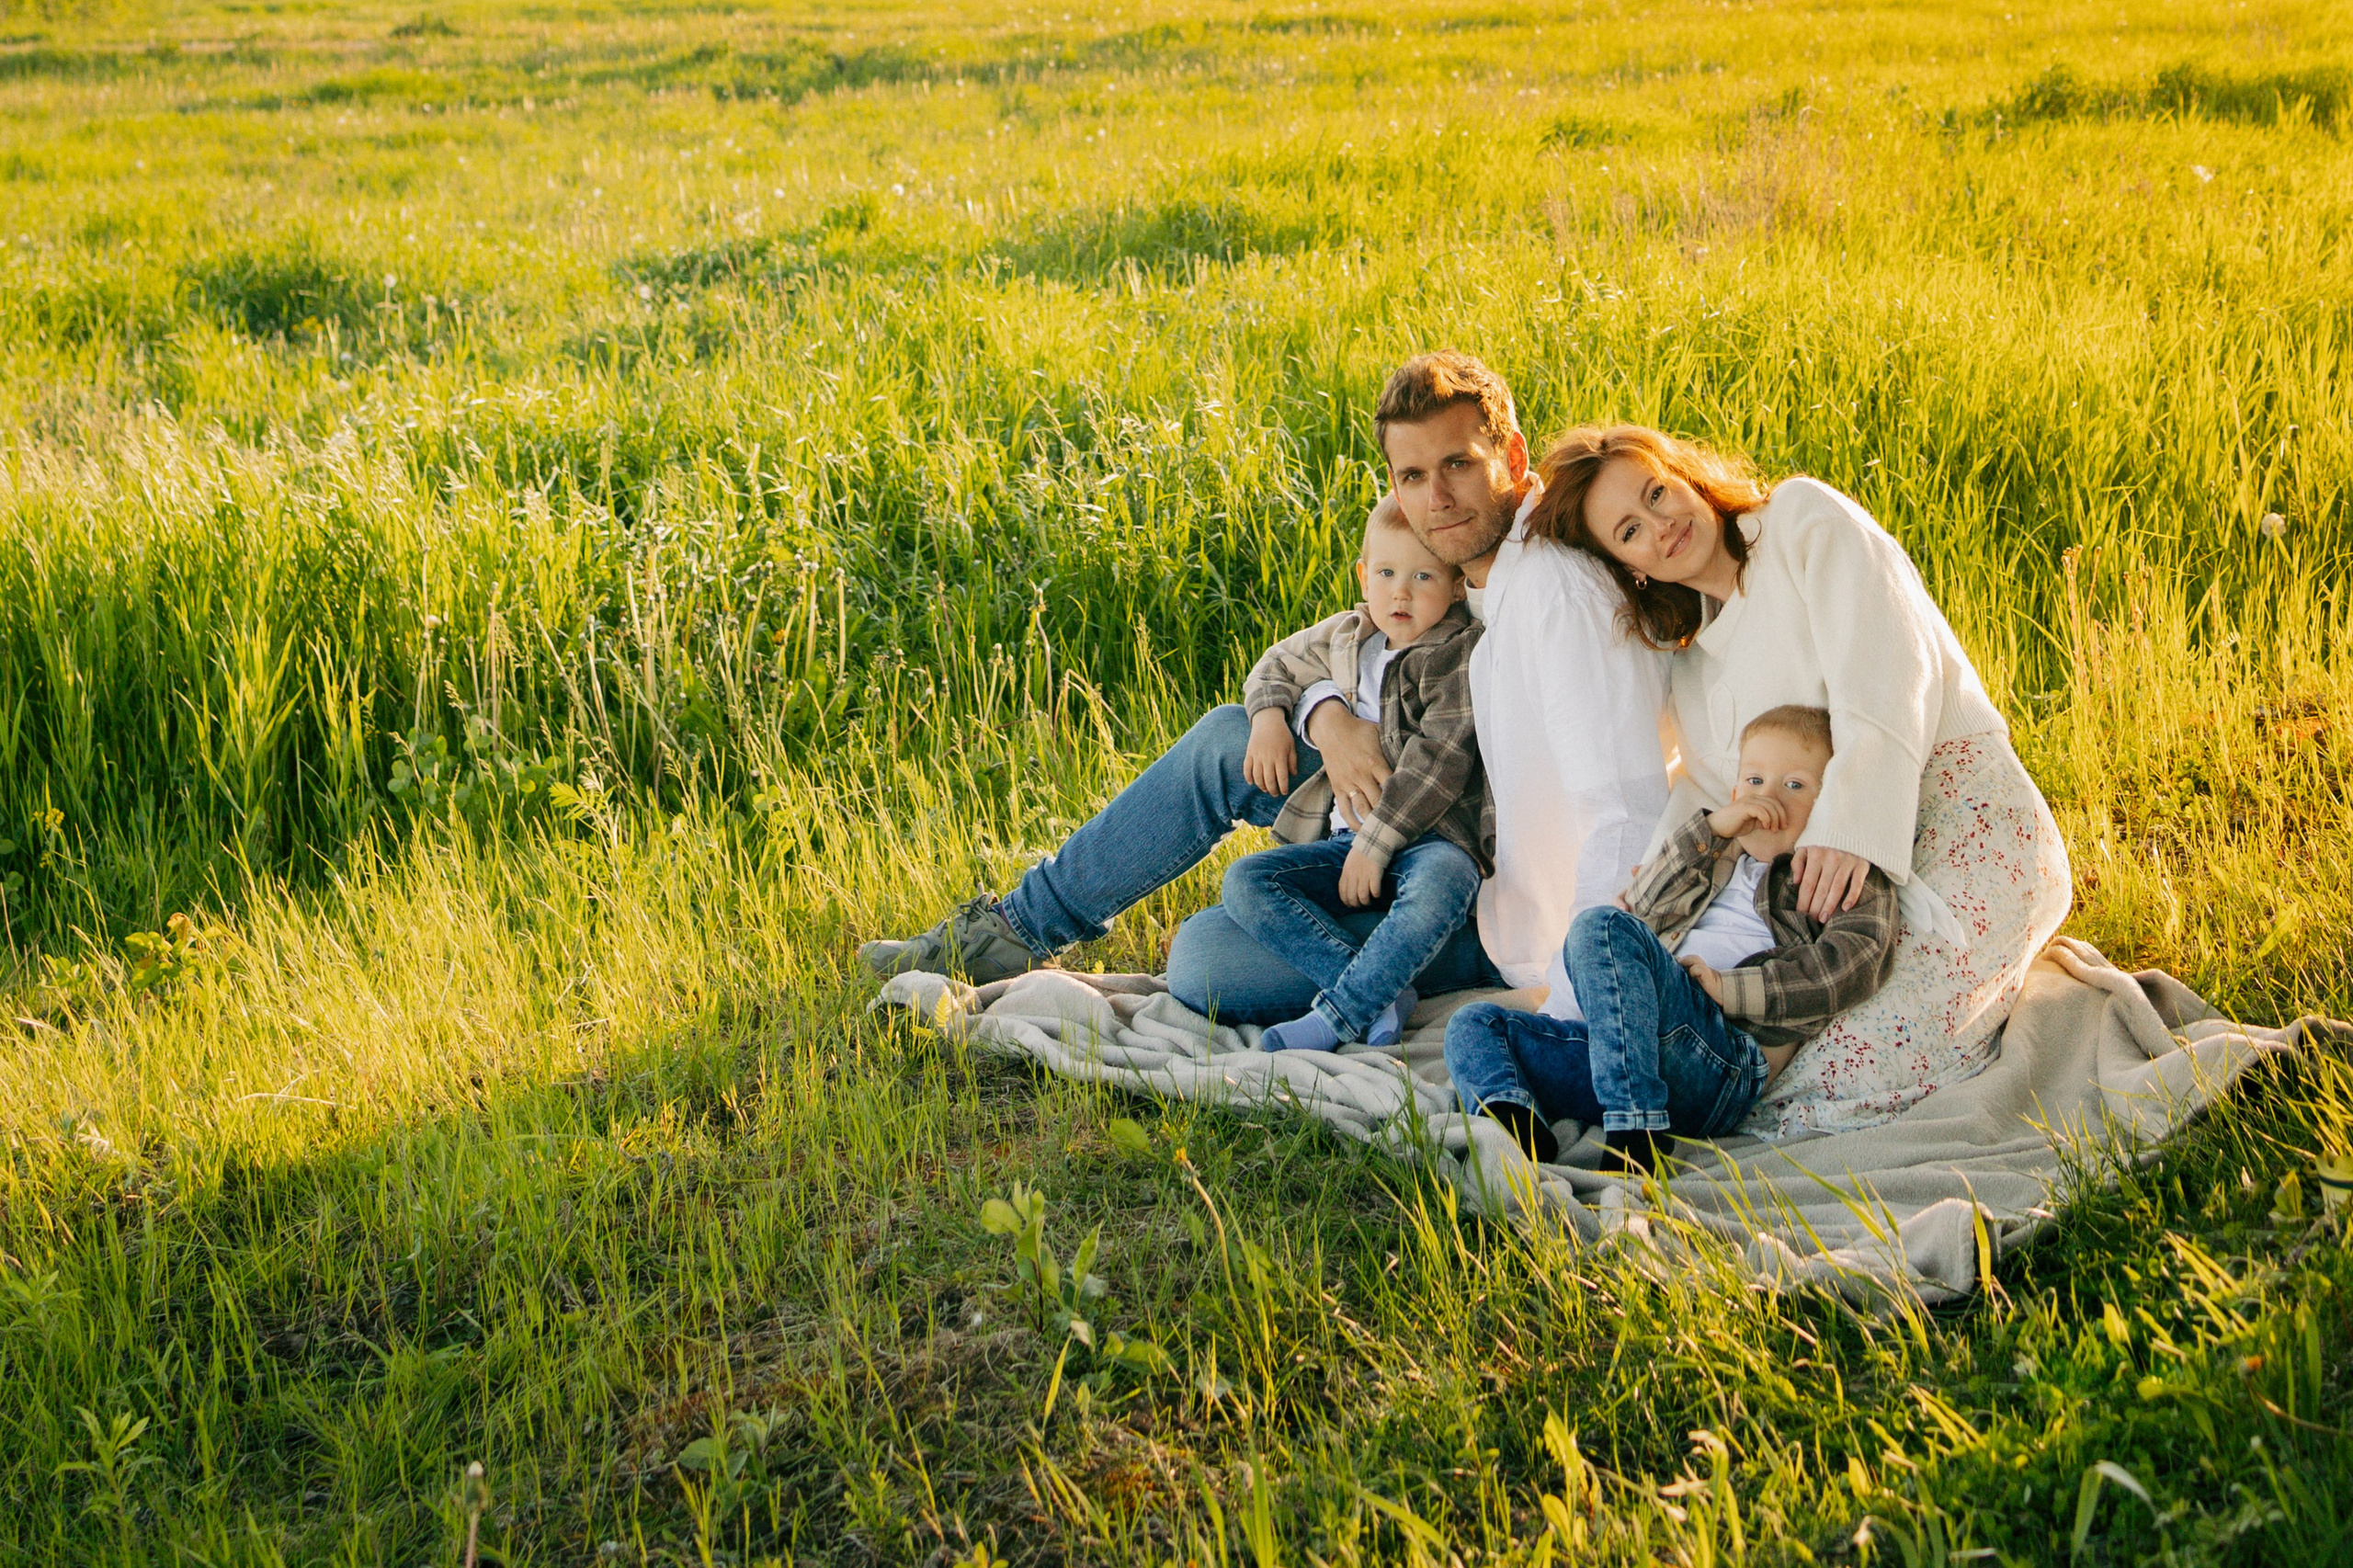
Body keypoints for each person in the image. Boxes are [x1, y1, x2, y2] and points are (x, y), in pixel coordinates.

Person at [860, 353, 1672, 1022]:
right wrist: (1324, 717)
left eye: (1460, 464)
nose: (1436, 498)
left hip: (1478, 901)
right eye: (1413, 475)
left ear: (1514, 460)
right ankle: (1008, 931)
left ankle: (1367, 973)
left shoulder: (1553, 593)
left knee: (1203, 960)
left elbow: (1623, 808)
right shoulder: (1478, 571)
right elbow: (1349, 648)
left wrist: (1586, 1006)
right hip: (1407, 817)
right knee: (1228, 736)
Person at [1522, 426, 2073, 1138]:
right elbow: (1705, 799)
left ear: (1684, 473)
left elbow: (1889, 663)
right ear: (1629, 568)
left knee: (1852, 1068)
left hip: (1959, 815)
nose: (1662, 526)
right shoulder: (1693, 672)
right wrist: (1627, 929)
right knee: (1753, 1057)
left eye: (1657, 491)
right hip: (1831, 902)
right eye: (1631, 530)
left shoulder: (1799, 520)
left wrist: (1850, 828)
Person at [1445, 705, 1899, 1168]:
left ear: (1832, 802)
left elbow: (1850, 965)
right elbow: (1640, 905)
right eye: (1754, 781)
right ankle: (1516, 1132)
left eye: (1795, 785)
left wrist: (1728, 990)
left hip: (1718, 1060)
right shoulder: (1716, 855)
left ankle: (1635, 1131)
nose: (1768, 800)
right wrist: (1713, 830)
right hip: (1628, 1052)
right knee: (1473, 1023)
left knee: (1600, 925)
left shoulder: (1831, 872)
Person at [1222, 499, 1488, 1052]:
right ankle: (1379, 992)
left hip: (1429, 839)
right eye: (1387, 574)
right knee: (1246, 882)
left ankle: (1338, 1018)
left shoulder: (1457, 655)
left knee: (1444, 884)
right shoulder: (1350, 635)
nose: (1401, 593)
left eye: (1423, 576)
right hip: (1346, 843)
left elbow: (1440, 761)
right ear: (1364, 575)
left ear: (1458, 585)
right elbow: (1276, 664)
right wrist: (1270, 716)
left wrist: (1378, 841)